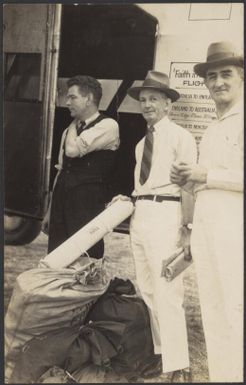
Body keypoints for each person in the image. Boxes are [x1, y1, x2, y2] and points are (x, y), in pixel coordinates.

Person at [110, 71, 197, 381]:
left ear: (167, 104)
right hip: (142, 215)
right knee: (147, 289)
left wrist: (187, 226)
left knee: (167, 289)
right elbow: (143, 184)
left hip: (166, 215)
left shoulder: (181, 137)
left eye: (154, 99)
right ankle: (163, 355)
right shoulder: (139, 145)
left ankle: (181, 365)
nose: (147, 104)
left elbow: (187, 185)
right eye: (143, 100)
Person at [170, 41, 243, 382]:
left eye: (226, 74)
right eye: (211, 77)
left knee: (236, 312)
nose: (218, 83)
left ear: (241, 77)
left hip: (236, 233)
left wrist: (205, 175)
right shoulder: (214, 127)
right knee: (213, 312)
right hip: (210, 231)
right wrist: (187, 180)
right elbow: (207, 184)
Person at [43, 75, 120, 256]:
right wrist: (50, 211)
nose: (67, 102)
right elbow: (61, 171)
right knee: (57, 257)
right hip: (62, 204)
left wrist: (71, 125)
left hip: (87, 205)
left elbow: (72, 150)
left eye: (72, 97)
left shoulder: (108, 125)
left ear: (89, 99)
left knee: (85, 259)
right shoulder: (69, 131)